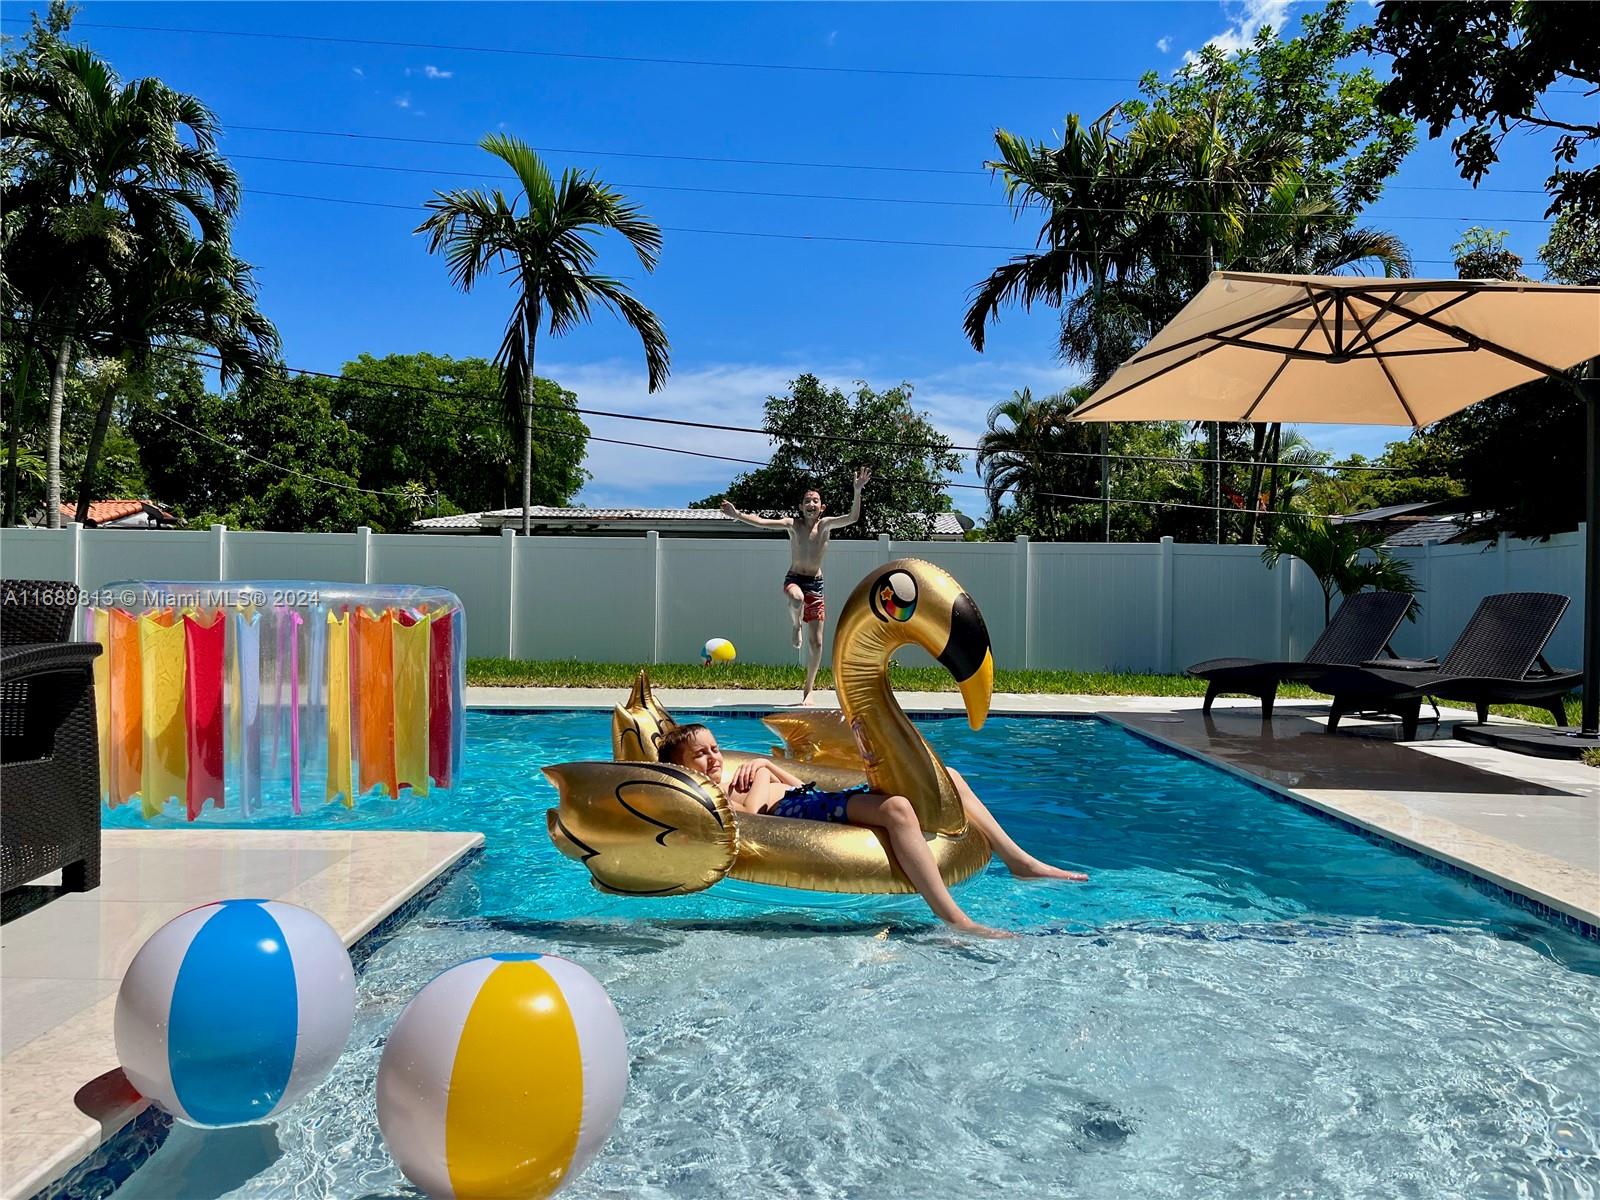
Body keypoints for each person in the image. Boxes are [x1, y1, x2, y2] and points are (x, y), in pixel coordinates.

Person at [658, 723, 1087, 938]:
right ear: (681, 766)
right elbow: (757, 821)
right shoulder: (709, 797)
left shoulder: (738, 776)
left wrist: (769, 767)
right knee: (898, 809)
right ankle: (954, 918)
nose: (715, 757)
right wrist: (761, 783)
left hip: (809, 800)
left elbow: (793, 784)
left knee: (949, 777)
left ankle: (1021, 862)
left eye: (716, 749)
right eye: (702, 754)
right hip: (800, 818)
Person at [721, 467, 871, 704]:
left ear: (822, 508)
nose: (811, 503)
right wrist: (737, 514)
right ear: (801, 507)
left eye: (815, 501)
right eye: (806, 501)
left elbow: (852, 518)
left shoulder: (826, 526)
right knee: (797, 599)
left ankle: (809, 690)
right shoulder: (793, 524)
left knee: (817, 642)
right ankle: (795, 625)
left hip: (816, 584)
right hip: (795, 580)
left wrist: (857, 491)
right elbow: (762, 522)